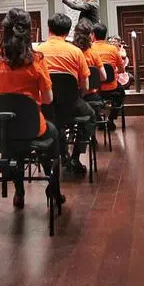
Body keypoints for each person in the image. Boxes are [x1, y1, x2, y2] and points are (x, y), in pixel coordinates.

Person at [0, 7, 60, 208]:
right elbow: (48, 99)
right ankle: (53, 186)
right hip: (30, 128)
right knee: (53, 133)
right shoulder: (37, 60)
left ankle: (19, 192)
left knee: (13, 145)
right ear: (28, 31)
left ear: (4, 30)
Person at [37, 12, 95, 174]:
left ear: (49, 29)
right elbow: (85, 85)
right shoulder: (75, 52)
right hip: (71, 104)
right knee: (91, 116)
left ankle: (62, 155)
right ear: (68, 32)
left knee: (56, 121)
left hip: (46, 107)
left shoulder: (37, 51)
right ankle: (76, 156)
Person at [88, 22, 125, 128]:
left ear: (93, 35)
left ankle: (98, 119)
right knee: (121, 93)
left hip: (94, 89)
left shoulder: (89, 49)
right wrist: (114, 71)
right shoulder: (113, 49)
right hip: (111, 88)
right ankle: (111, 119)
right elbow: (122, 70)